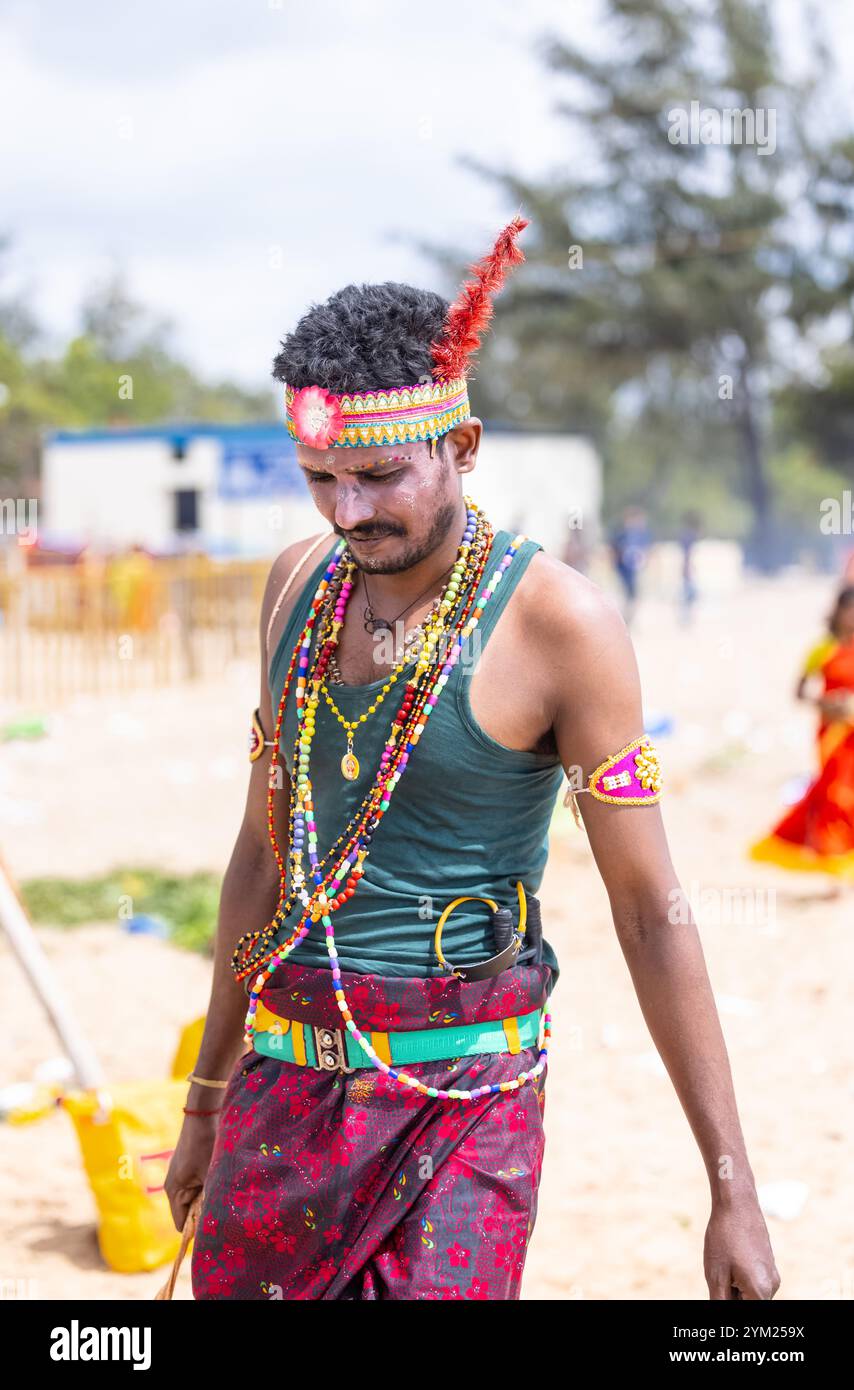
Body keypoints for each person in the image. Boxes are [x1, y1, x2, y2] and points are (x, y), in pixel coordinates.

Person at [165, 217, 778, 1301]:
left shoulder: (560, 626)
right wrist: (205, 1099)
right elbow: (262, 854)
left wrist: (728, 1186)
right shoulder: (294, 590)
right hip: (281, 1080)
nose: (348, 511)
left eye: (378, 476)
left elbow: (648, 910)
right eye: (319, 478)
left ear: (463, 446)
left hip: (463, 1105)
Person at [750, 586, 854, 882]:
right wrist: (823, 703)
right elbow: (799, 692)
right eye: (849, 610)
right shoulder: (822, 649)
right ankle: (837, 872)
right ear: (838, 612)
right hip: (830, 733)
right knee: (835, 795)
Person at [608, 505, 650, 626]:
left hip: (635, 571)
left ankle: (627, 620)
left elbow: (645, 551)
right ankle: (623, 621)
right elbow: (614, 550)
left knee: (634, 596)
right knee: (628, 596)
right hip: (623, 570)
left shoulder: (642, 534)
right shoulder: (621, 534)